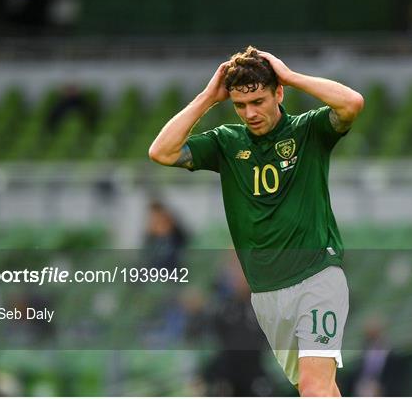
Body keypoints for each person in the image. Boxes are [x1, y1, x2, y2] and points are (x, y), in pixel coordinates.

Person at [149, 46, 364, 396]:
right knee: (315, 387)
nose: (250, 112)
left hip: (317, 276)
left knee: (313, 385)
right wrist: (207, 97)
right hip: (266, 294)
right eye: (240, 105)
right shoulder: (227, 143)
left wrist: (291, 75)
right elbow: (162, 151)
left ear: (278, 93)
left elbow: (352, 103)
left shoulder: (308, 131)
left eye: (259, 101)